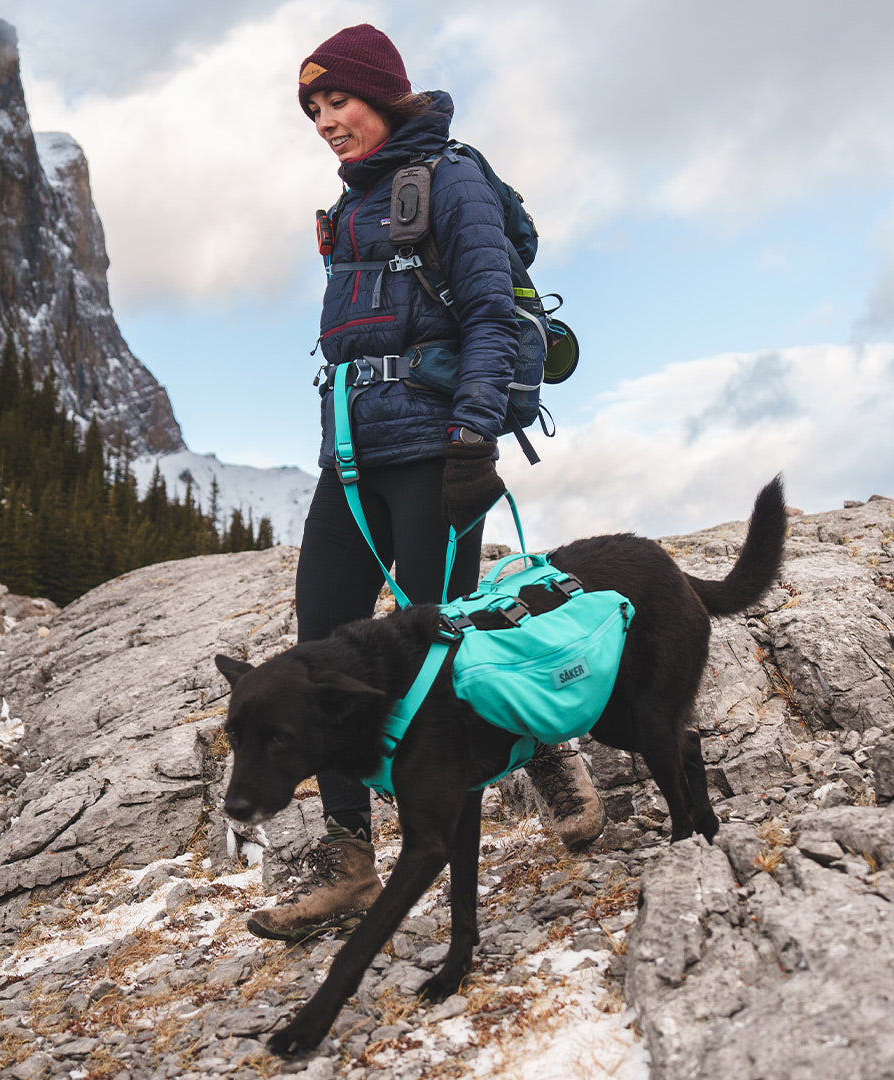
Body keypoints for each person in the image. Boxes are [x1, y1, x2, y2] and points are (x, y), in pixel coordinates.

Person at [246, 24, 602, 942]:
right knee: (319, 652)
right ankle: (347, 861)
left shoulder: (451, 182)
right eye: (314, 109)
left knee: (439, 649)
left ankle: (541, 758)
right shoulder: (355, 201)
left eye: (340, 102)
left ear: (386, 95)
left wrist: (474, 439)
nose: (327, 121)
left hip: (436, 451)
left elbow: (488, 311)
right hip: (352, 458)